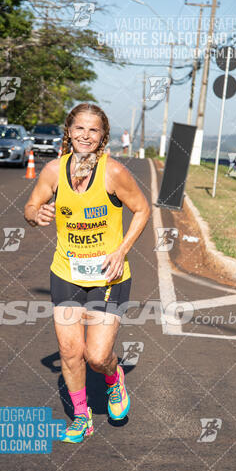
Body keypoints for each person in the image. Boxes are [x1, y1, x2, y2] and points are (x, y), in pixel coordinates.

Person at [24, 103, 150, 443]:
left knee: (96, 356)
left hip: (108, 277)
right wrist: (36, 215)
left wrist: (121, 251)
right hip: (66, 272)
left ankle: (114, 379)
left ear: (102, 137)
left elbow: (141, 210)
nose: (85, 135)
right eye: (79, 128)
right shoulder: (53, 171)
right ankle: (82, 418)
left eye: (93, 130)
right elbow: (31, 205)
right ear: (69, 131)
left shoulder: (113, 173)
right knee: (69, 352)